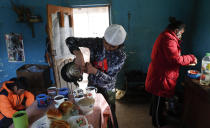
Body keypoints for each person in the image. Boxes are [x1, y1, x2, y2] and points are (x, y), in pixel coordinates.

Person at [66, 24, 127, 128]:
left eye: (113, 46)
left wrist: (94, 71)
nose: (107, 47)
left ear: (120, 45)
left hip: (108, 90)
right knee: (93, 113)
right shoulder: (96, 43)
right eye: (106, 43)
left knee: (109, 115)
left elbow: (110, 80)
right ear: (103, 38)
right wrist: (78, 54)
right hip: (92, 87)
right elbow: (70, 40)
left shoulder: (120, 56)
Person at [145, 17, 197, 128]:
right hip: (161, 75)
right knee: (159, 99)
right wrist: (191, 58)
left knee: (156, 99)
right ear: (177, 31)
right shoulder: (168, 40)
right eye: (181, 33)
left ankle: (154, 116)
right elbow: (176, 59)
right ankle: (157, 123)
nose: (181, 36)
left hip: (160, 72)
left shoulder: (166, 36)